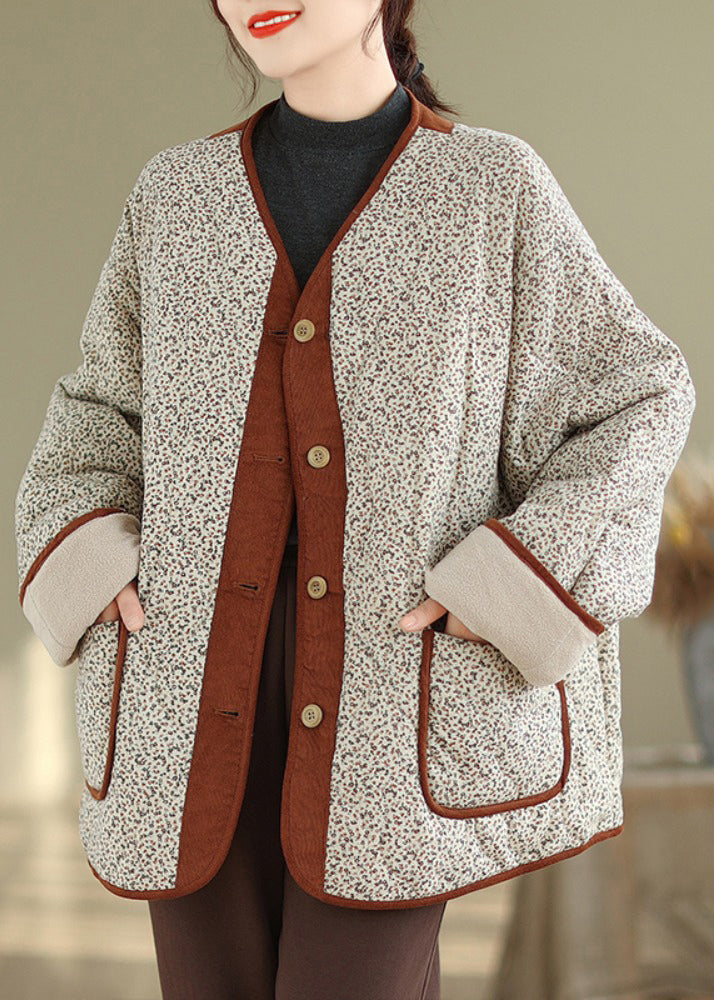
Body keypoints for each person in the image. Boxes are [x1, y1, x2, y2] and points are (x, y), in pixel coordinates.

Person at [14, 1, 696, 999]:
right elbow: (99, 411)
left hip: (394, 698)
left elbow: (638, 393)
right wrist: (90, 560)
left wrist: (513, 585)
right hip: (185, 693)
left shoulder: (490, 187)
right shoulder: (174, 196)